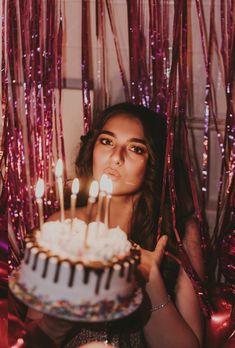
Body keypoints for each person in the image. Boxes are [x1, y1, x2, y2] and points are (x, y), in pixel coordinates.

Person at [25, 102, 205, 348]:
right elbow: (33, 343)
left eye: (135, 148)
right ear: (93, 148)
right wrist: (66, 313)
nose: (116, 158)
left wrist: (151, 281)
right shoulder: (63, 227)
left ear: (153, 162)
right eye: (107, 142)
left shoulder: (179, 231)